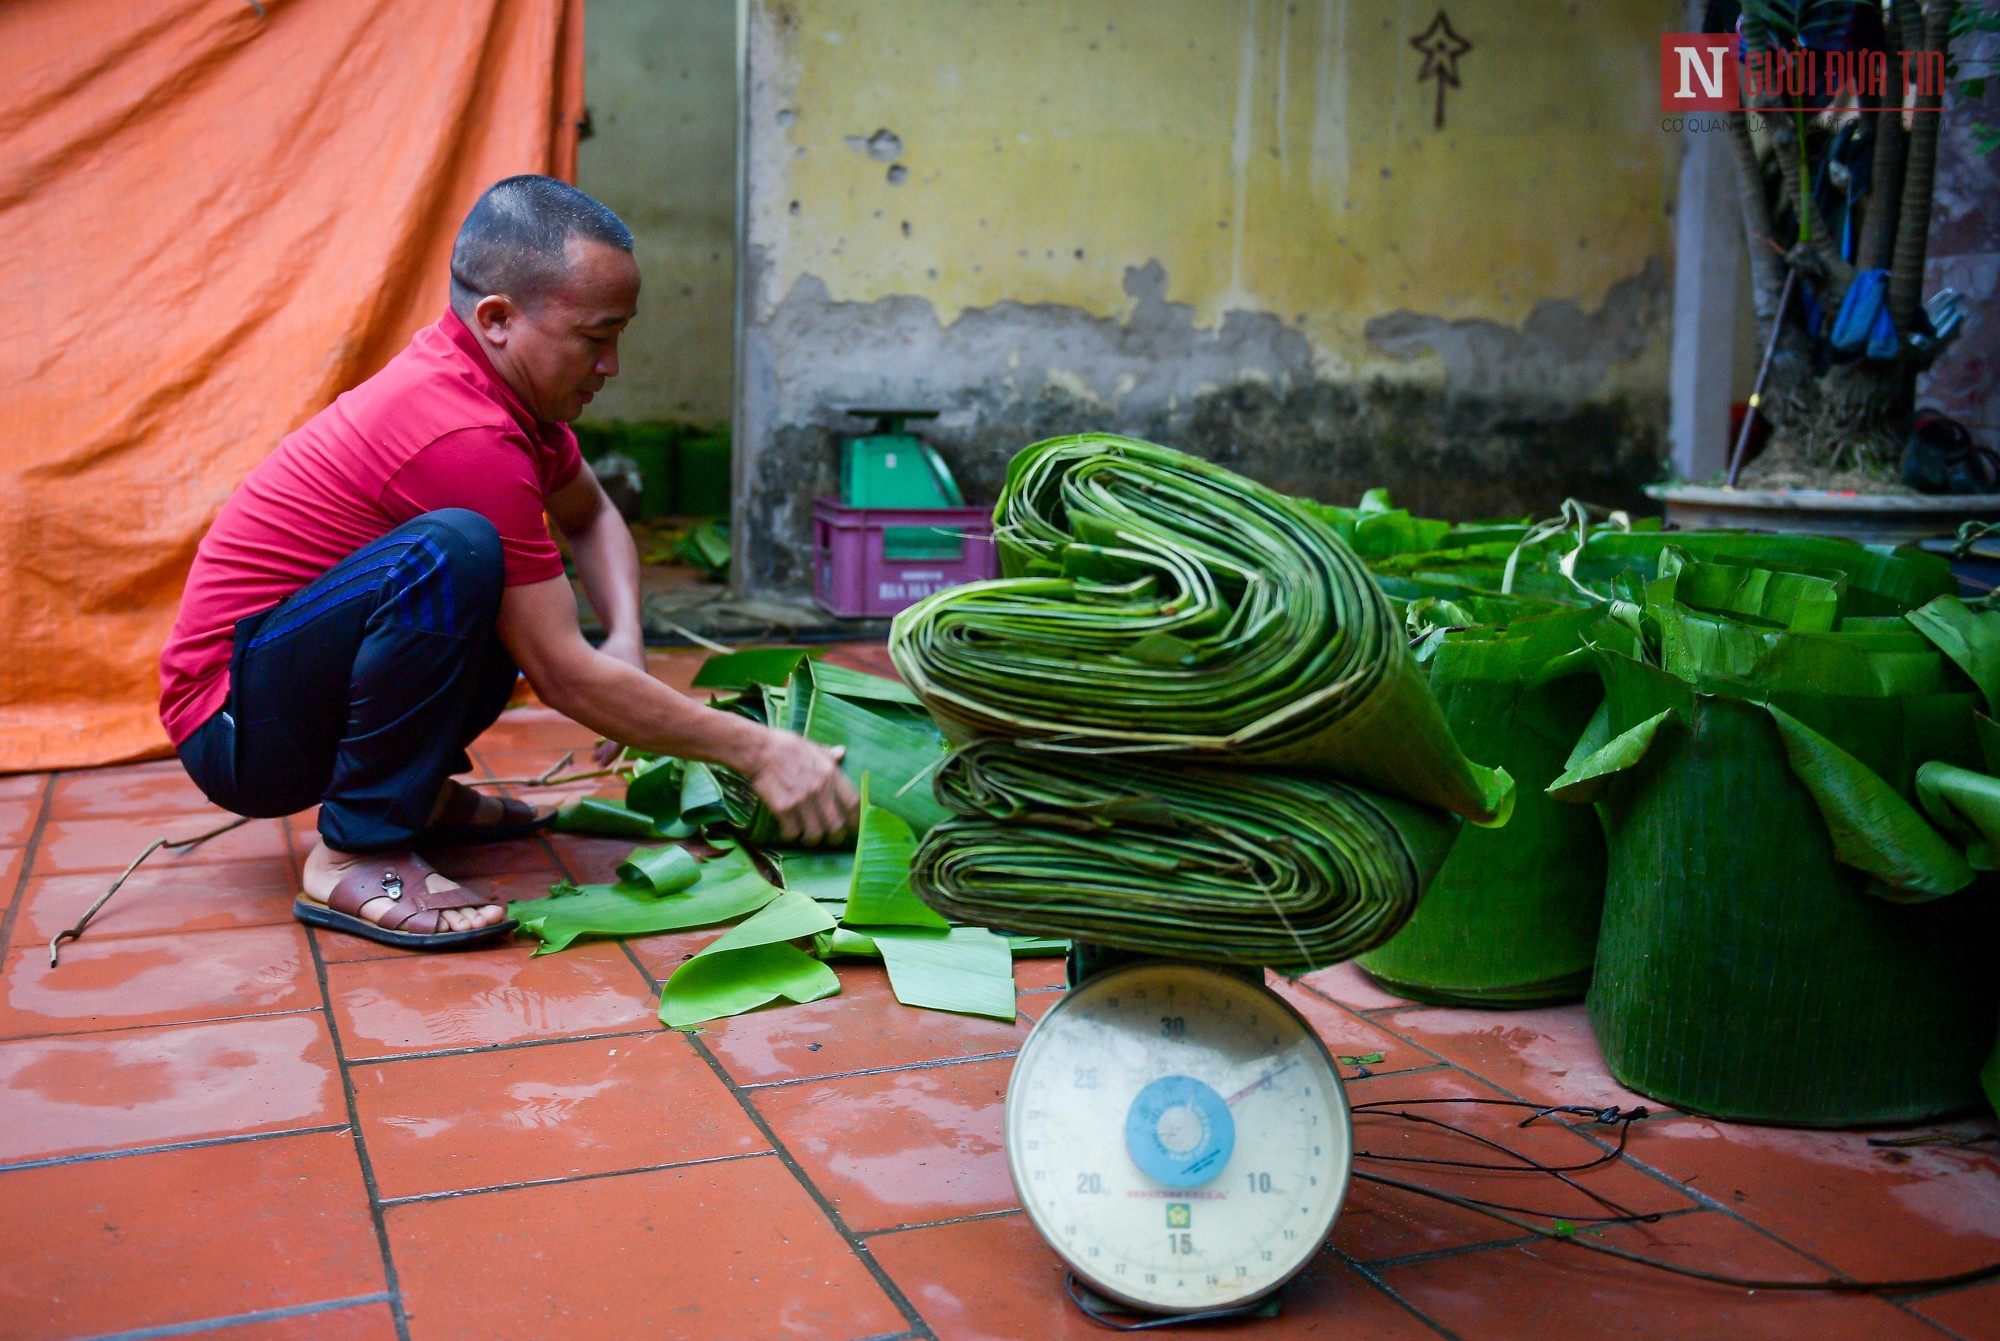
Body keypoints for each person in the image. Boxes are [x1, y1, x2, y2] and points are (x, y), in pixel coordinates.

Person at [159, 176, 856, 949]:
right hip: (234, 725)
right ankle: (356, 846)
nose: (613, 364)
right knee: (457, 552)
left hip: (289, 691)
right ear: (496, 319)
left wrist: (625, 636)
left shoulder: (510, 399)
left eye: (620, 334)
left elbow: (591, 516)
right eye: (595, 337)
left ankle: (412, 796)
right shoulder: (460, 432)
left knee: (497, 582)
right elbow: (562, 674)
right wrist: (762, 750)